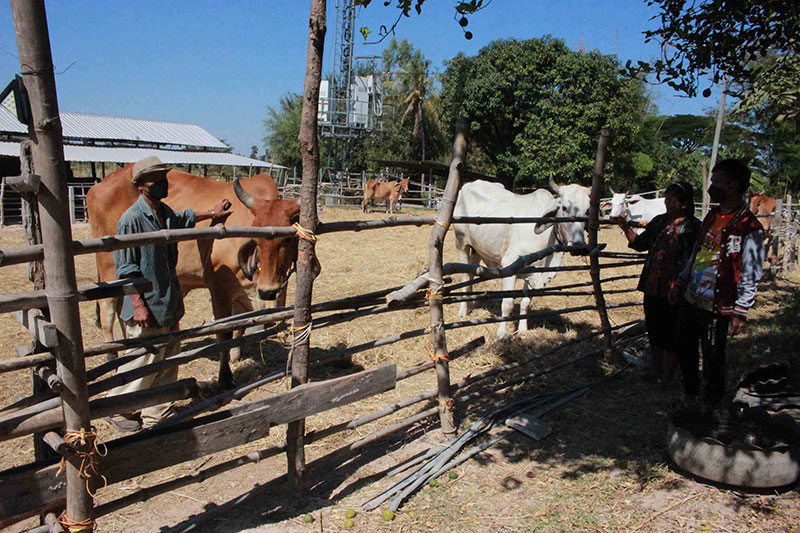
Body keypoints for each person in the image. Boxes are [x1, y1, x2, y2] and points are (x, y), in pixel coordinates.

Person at [106, 156, 233, 432]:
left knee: (169, 356)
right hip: (146, 303)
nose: (162, 183)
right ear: (140, 185)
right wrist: (138, 305)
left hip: (167, 300)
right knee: (144, 358)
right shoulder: (131, 220)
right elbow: (126, 269)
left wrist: (212, 213)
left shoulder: (164, 213)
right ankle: (117, 408)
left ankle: (157, 412)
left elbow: (186, 218)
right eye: (156, 180)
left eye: (163, 178)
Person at [669, 159, 765, 407]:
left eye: (716, 181)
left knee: (713, 355)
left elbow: (752, 272)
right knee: (684, 346)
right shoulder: (712, 215)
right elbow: (698, 251)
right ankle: (690, 393)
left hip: (717, 304)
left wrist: (741, 310)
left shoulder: (750, 227)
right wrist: (681, 281)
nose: (711, 186)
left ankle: (711, 404)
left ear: (732, 185)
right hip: (692, 296)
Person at [616, 182, 701, 384]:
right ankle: (656, 370)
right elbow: (640, 244)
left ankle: (669, 374)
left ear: (684, 203)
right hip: (653, 285)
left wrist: (682, 284)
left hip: (677, 288)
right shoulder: (659, 222)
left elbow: (696, 259)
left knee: (673, 331)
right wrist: (626, 228)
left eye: (672, 199)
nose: (667, 202)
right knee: (654, 329)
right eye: (667, 197)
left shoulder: (694, 228)